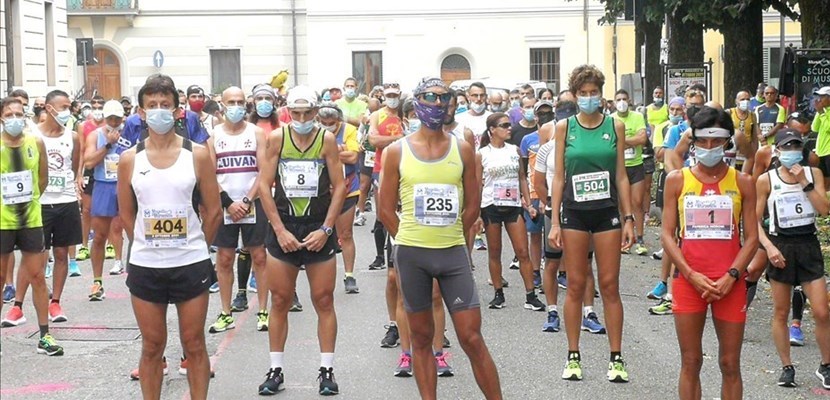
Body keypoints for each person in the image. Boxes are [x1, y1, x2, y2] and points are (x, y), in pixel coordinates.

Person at [378, 76, 502, 400]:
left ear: (451, 104)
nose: (436, 104)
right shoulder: (395, 152)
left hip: (451, 254)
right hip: (412, 255)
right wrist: (408, 238)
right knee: (421, 339)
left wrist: (454, 237)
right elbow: (385, 210)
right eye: (429, 97)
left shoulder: (462, 149)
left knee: (471, 338)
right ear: (416, 102)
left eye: (443, 98)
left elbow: (473, 205)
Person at [117, 78, 221, 400]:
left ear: (177, 111)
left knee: (194, 343)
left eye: (165, 105)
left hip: (190, 261)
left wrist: (195, 245)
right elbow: (126, 214)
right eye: (152, 105)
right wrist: (146, 245)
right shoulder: (129, 159)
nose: (159, 111)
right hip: (147, 264)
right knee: (152, 346)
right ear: (140, 112)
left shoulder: (199, 155)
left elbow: (214, 211)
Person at [660, 106, 758, 400]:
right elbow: (667, 234)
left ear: (727, 141)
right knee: (691, 361)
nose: (709, 147)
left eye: (716, 141)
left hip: (730, 281)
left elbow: (752, 237)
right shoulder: (677, 180)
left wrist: (732, 275)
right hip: (689, 280)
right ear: (693, 141)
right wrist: (690, 274)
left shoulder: (743, 182)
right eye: (703, 140)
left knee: (730, 363)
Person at [257, 85, 346, 396]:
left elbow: (339, 187)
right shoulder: (277, 138)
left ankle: (326, 369)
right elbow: (264, 185)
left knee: (323, 300)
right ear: (288, 112)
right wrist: (279, 230)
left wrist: (325, 229)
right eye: (296, 113)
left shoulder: (327, 139)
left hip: (317, 228)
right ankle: (276, 368)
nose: (303, 118)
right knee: (279, 300)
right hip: (284, 227)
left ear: (316, 112)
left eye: (308, 113)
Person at [549, 64, 635, 382]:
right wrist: (554, 220)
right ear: (574, 95)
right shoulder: (564, 127)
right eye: (582, 94)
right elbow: (559, 176)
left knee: (609, 286)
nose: (588, 98)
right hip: (574, 211)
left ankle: (616, 357)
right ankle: (573, 356)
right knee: (575, 284)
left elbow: (621, 176)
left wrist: (629, 218)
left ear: (601, 94)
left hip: (606, 211)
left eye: (593, 93)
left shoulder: (615, 127)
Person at [754, 129, 830, 388]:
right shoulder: (766, 179)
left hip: (807, 243)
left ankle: (826, 365)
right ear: (778, 151)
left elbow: (823, 210)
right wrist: (769, 248)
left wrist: (804, 183)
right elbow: (754, 222)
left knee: (821, 310)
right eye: (786, 148)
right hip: (781, 243)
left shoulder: (813, 173)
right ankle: (787, 366)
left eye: (796, 147)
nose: (792, 152)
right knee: (781, 311)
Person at [0, 96, 63, 356]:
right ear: (1, 118)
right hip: (3, 222)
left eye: (19, 114)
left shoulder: (35, 141)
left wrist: (30, 202)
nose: (15, 119)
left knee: (37, 277)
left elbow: (43, 179)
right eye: (9, 114)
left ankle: (45, 336)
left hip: (31, 220)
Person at [206, 86, 270, 334]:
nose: (236, 106)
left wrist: (246, 200)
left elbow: (264, 170)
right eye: (231, 101)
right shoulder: (214, 136)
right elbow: (209, 174)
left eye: (240, 102)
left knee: (260, 257)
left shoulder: (257, 133)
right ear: (222, 105)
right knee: (224, 258)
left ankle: (263, 311)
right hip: (225, 206)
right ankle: (225, 312)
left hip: (252, 203)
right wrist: (227, 203)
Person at [478, 113, 545, 311]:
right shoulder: (482, 154)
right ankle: (498, 294)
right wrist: (476, 214)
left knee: (522, 252)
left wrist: (528, 202)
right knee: (495, 252)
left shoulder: (514, 150)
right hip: (491, 206)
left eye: (510, 125)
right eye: (504, 125)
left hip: (513, 205)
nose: (509, 128)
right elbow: (476, 184)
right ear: (492, 130)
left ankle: (530, 295)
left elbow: (522, 177)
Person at [28, 90, 83, 323]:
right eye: (63, 107)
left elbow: (74, 166)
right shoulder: (32, 134)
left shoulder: (73, 137)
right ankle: (39, 296)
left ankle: (56, 302)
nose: (67, 111)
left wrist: (75, 186)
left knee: (62, 253)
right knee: (40, 256)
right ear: (49, 108)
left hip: (66, 201)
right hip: (41, 202)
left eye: (69, 107)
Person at [83, 100, 128, 301]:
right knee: (100, 235)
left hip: (126, 186)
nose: (114, 122)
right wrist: (108, 144)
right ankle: (97, 281)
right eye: (110, 118)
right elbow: (89, 162)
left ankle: (139, 276)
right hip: (103, 185)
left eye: (117, 119)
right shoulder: (96, 135)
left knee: (134, 232)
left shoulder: (129, 132)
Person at [318, 101, 361, 294]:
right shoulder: (313, 131)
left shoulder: (350, 130)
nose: (328, 124)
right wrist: (339, 150)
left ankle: (349, 275)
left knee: (346, 234)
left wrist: (328, 153)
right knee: (323, 234)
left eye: (332, 121)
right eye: (324, 121)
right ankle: (322, 276)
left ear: (339, 120)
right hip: (322, 192)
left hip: (347, 188)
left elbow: (353, 157)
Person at [611, 89, 649, 256]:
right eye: (618, 99)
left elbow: (642, 139)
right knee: (621, 205)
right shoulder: (610, 119)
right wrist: (629, 142)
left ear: (630, 100)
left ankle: (640, 239)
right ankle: (623, 239)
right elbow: (610, 144)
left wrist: (621, 141)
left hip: (636, 165)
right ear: (613, 102)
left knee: (637, 203)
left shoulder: (637, 117)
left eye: (624, 99)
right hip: (619, 166)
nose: (622, 102)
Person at [729, 91, 759, 173]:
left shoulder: (752, 115)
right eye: (742, 99)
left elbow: (754, 137)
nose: (745, 101)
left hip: (747, 155)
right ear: (736, 101)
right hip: (733, 154)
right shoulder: (729, 113)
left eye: (747, 99)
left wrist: (754, 155)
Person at [813, 86, 830, 192]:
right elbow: (814, 128)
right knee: (823, 180)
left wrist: (822, 114)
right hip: (821, 152)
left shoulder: (824, 112)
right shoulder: (822, 111)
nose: (819, 99)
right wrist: (819, 113)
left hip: (829, 152)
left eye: (822, 96)